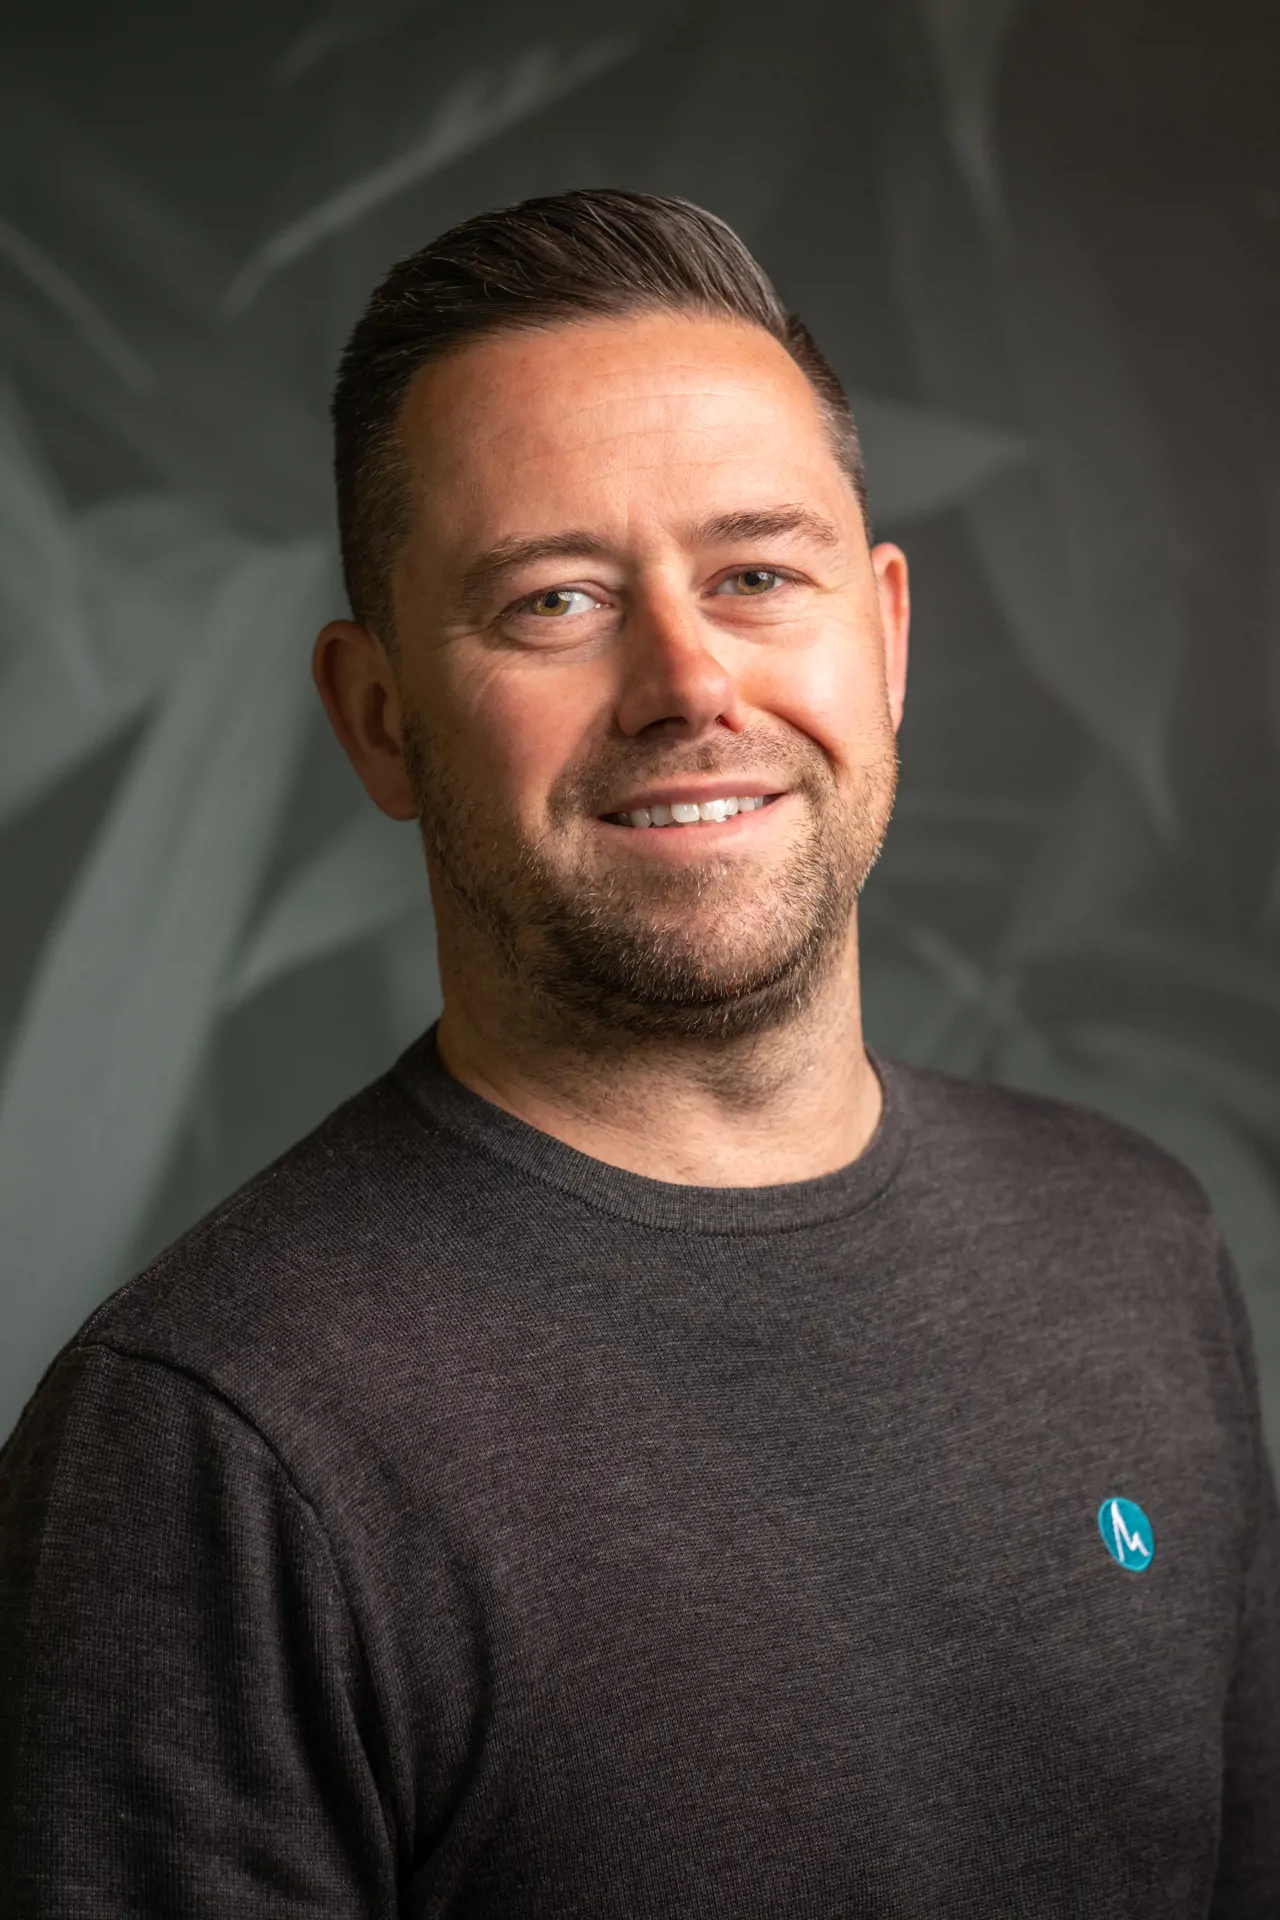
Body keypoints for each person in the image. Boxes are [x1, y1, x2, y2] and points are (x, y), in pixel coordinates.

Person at [1, 188, 1276, 1918]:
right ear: (379, 719)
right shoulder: (211, 1453)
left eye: (757, 574)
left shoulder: (1133, 1244)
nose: (688, 679)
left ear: (886, 637)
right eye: (553, 603)